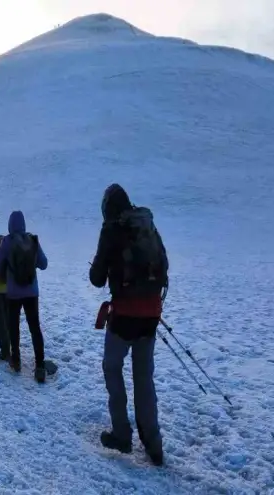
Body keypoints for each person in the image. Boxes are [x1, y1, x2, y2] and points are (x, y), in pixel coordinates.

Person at [89, 183, 168, 467]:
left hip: (123, 316)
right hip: (151, 314)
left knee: (112, 367)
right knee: (144, 378)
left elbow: (97, 278)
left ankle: (122, 434)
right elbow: (164, 265)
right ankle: (153, 444)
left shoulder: (111, 229)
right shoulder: (146, 224)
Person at [0, 210, 48, 383]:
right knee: (34, 327)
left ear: (10, 225)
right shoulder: (32, 240)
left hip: (13, 293)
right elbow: (44, 264)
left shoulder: (7, 242)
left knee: (13, 326)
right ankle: (40, 366)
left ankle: (16, 360)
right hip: (32, 292)